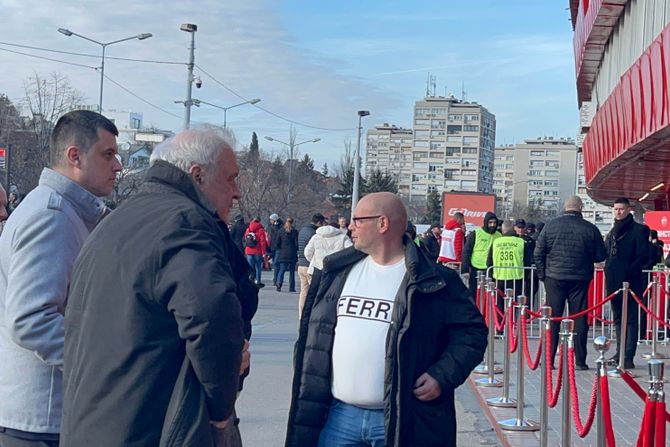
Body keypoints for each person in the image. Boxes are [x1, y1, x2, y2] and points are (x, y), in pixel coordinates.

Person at [61, 125, 254, 446]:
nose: (236, 193)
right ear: (197, 175)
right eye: (231, 178)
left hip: (100, 420)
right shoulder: (185, 222)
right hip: (153, 425)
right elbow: (213, 319)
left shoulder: (120, 218)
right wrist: (221, 410)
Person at [285, 192, 486, 447]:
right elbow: (315, 337)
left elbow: (472, 334)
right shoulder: (336, 273)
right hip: (339, 417)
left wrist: (441, 375)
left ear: (382, 223)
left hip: (403, 419)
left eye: (357, 220)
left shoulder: (435, 281)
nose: (349, 226)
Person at [0, 110, 121, 446]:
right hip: (41, 418)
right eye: (107, 154)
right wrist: (102, 368)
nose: (118, 165)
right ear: (74, 156)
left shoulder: (64, 212)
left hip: (45, 414)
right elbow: (30, 319)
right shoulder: (51, 216)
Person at [534, 196, 606, 370]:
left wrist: (543, 275)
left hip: (554, 278)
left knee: (553, 318)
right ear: (580, 208)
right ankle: (580, 361)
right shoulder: (590, 229)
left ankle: (549, 360)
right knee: (580, 319)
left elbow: (538, 253)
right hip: (580, 279)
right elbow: (600, 256)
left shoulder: (550, 226)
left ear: (565, 207)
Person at [604, 197, 649, 370]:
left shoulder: (639, 230)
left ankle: (628, 354)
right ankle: (619, 352)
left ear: (628, 209)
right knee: (617, 319)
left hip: (631, 283)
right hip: (614, 282)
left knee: (630, 319)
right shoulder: (613, 231)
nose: (618, 212)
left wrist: (628, 272)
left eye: (621, 209)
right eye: (615, 209)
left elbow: (642, 256)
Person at [487, 220, 528, 317]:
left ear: (503, 229)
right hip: (516, 278)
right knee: (514, 304)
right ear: (513, 229)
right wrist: (525, 276)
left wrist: (491, 276)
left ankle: (499, 328)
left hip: (499, 277)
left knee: (499, 303)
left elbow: (489, 261)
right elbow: (527, 261)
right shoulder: (521, 242)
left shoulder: (496, 242)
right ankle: (512, 325)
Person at [462, 212, 501, 302]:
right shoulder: (476, 233)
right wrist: (465, 269)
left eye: (495, 223)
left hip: (492, 270)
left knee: (489, 296)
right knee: (474, 294)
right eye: (490, 222)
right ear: (486, 222)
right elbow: (466, 251)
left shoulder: (499, 235)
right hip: (477, 268)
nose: (492, 225)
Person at [297, 213, 326, 315]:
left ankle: (302, 314)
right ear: (319, 223)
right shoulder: (314, 234)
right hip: (309, 265)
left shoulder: (302, 230)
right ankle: (310, 314)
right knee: (314, 292)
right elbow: (310, 251)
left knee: (303, 292)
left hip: (300, 264)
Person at [514, 218, 537, 305]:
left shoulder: (529, 240)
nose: (520, 230)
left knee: (529, 291)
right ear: (515, 227)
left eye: (522, 227)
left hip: (527, 269)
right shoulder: (512, 239)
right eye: (518, 227)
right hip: (516, 269)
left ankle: (528, 311)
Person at [275, 217, 299, 292]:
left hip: (283, 253)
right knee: (292, 272)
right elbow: (296, 244)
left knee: (281, 270)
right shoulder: (295, 232)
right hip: (292, 253)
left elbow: (277, 243)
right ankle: (291, 287)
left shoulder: (281, 231)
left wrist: (280, 248)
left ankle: (279, 283)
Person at [245, 217, 269, 287]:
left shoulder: (248, 229)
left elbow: (246, 239)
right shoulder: (261, 230)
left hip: (249, 250)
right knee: (258, 267)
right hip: (258, 251)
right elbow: (263, 242)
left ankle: (249, 279)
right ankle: (258, 281)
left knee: (250, 267)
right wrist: (264, 252)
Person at [267, 213, 283, 285]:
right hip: (273, 247)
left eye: (271, 220)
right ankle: (275, 278)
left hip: (278, 247)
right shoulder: (271, 226)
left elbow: (277, 236)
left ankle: (276, 279)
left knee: (276, 263)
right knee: (274, 263)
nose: (270, 221)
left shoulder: (279, 227)